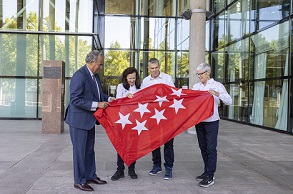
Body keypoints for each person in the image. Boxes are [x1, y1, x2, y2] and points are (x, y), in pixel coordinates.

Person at [65, 50, 115, 192]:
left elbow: (98, 94)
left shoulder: (95, 76)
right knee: (80, 152)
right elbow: (75, 99)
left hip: (89, 120)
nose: (101, 67)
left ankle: (90, 176)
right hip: (78, 120)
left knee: (89, 151)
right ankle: (79, 181)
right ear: (92, 62)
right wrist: (97, 105)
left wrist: (109, 99)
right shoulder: (79, 76)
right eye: (100, 64)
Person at [192, 63, 232, 188]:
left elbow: (229, 101)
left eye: (200, 74)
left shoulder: (217, 85)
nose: (199, 76)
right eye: (197, 74)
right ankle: (206, 171)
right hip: (200, 121)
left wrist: (217, 94)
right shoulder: (196, 86)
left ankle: (210, 176)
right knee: (203, 147)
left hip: (212, 121)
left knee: (211, 148)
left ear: (207, 73)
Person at [141, 58, 175, 180]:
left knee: (168, 142)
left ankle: (169, 167)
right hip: (152, 116)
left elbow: (174, 94)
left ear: (159, 66)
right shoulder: (145, 81)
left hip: (167, 116)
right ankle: (156, 166)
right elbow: (142, 98)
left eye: (156, 68)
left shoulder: (167, 78)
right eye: (152, 68)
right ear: (148, 68)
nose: (155, 70)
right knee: (154, 142)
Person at [111, 67, 141, 181]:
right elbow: (118, 100)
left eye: (133, 78)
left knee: (133, 145)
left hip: (136, 120)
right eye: (129, 78)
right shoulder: (120, 86)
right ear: (125, 77)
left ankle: (132, 168)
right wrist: (126, 97)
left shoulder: (140, 87)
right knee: (122, 144)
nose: (132, 80)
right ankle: (120, 170)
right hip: (123, 120)